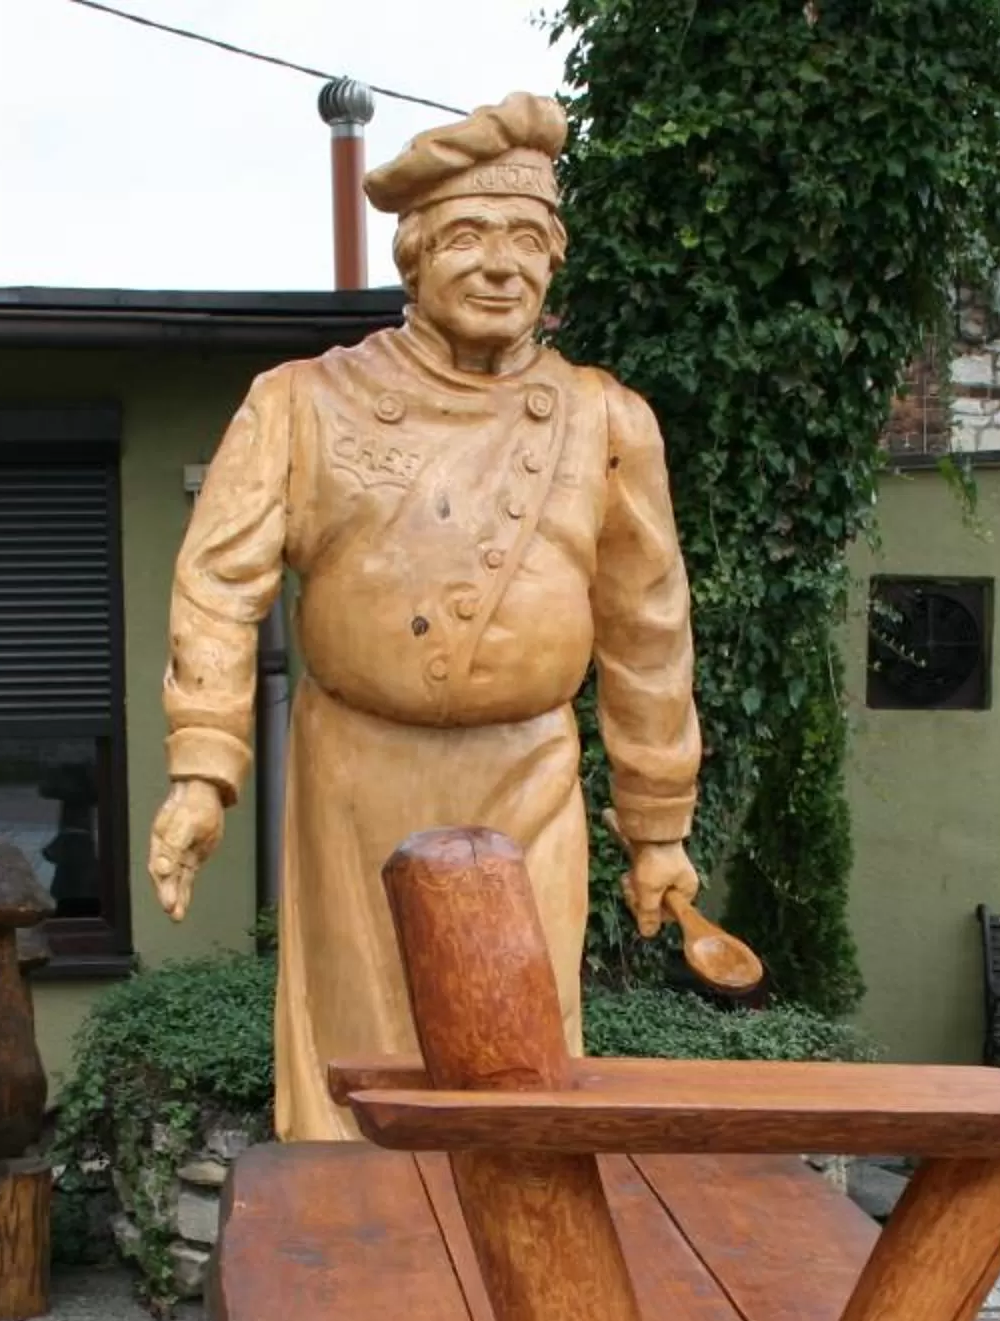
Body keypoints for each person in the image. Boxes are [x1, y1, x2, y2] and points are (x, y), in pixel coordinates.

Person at [146, 91, 704, 1141]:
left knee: (520, 1048)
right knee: (363, 1057)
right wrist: (202, 770)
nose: (501, 266)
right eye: (469, 237)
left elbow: (647, 629)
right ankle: (366, 1270)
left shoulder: (606, 419)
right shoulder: (304, 402)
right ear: (414, 255)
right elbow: (218, 585)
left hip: (531, 777)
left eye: (528, 241)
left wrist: (658, 827)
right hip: (358, 774)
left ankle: (506, 1270)